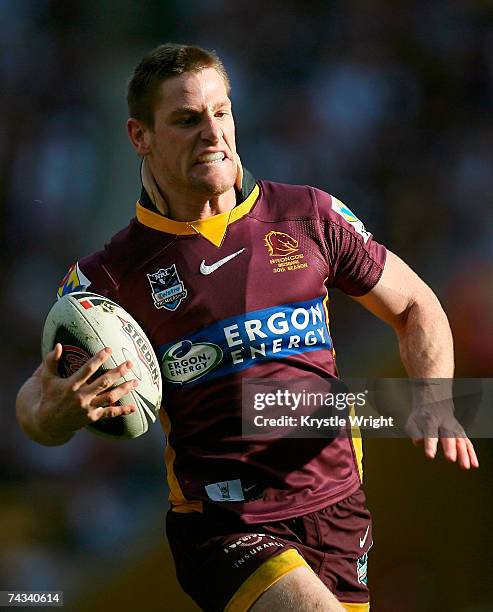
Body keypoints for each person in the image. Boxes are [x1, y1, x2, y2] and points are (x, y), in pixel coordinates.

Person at [16, 43, 479, 612]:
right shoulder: (107, 279)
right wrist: (56, 413)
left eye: (221, 112)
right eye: (186, 120)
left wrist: (433, 396)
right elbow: (34, 405)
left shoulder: (308, 216)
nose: (212, 133)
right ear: (140, 137)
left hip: (339, 509)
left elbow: (415, 305)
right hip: (224, 525)